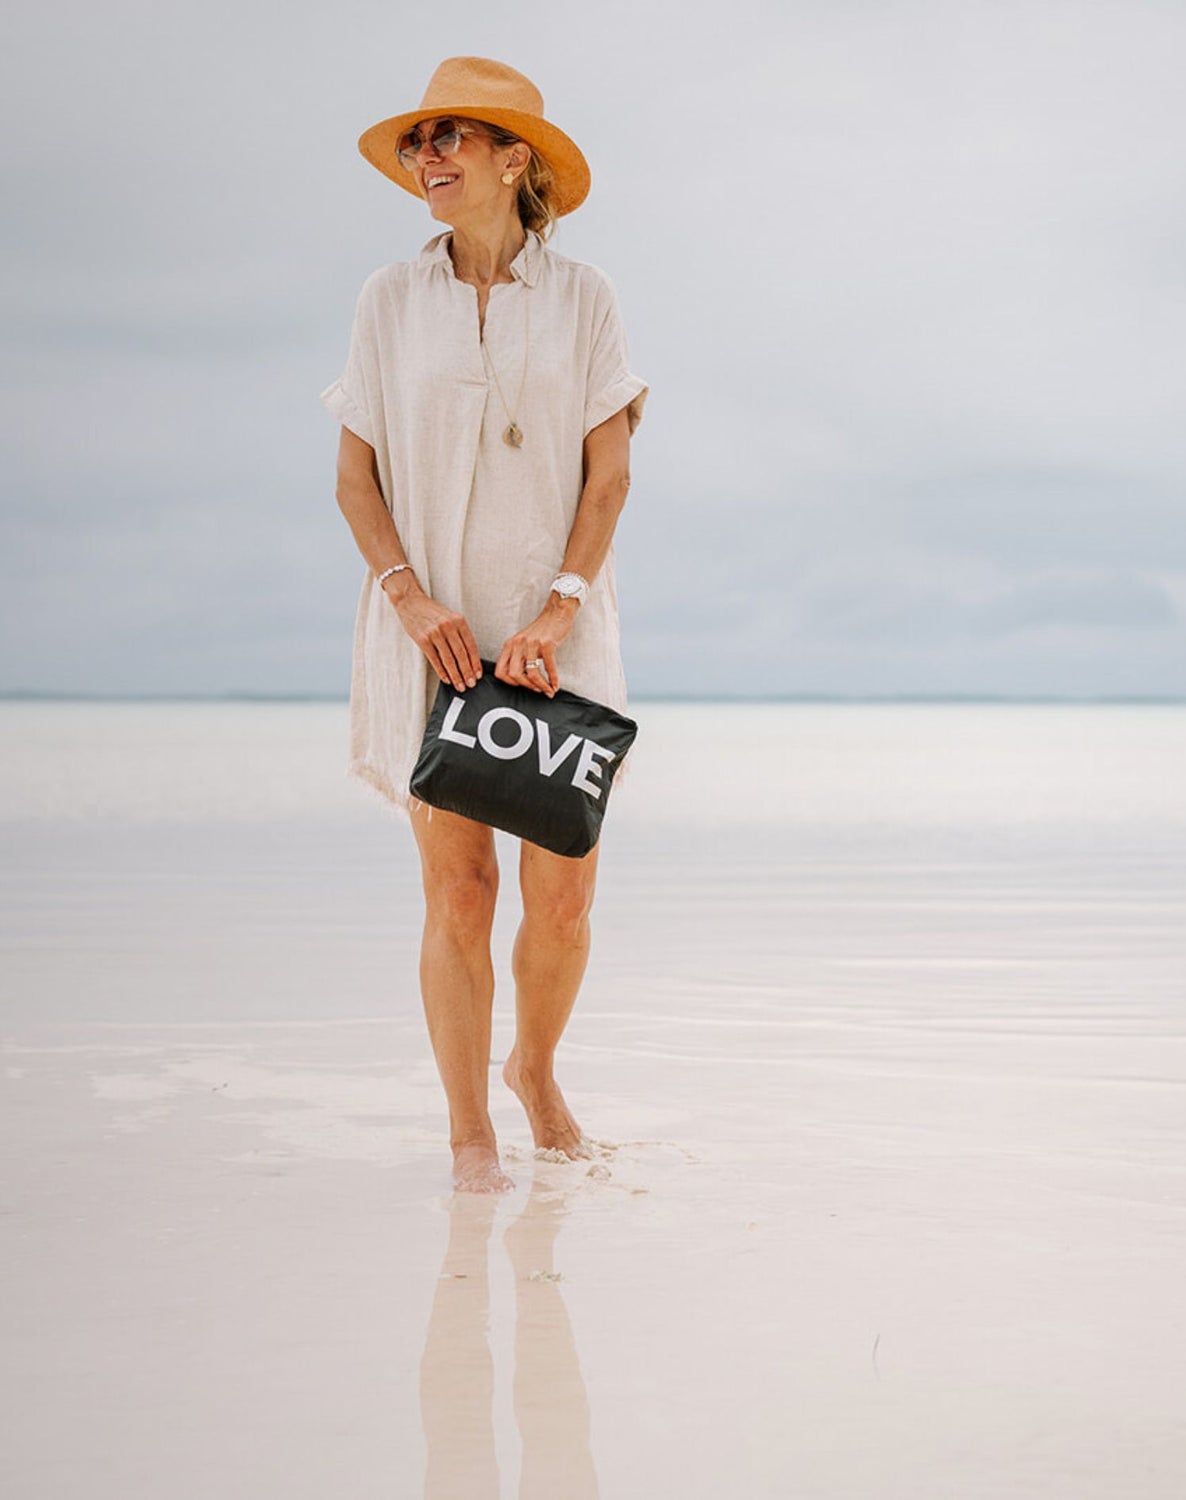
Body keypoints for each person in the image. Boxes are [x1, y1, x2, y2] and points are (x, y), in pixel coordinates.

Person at [324, 57, 648, 1193]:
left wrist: (560, 607)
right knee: (458, 888)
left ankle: (536, 1071)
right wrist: (408, 597)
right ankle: (470, 1136)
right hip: (435, 632)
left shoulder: (586, 298)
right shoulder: (386, 301)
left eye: (452, 136)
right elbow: (354, 479)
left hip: (560, 624)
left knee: (562, 895)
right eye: (419, 142)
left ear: (516, 158)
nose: (429, 158)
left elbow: (606, 477)